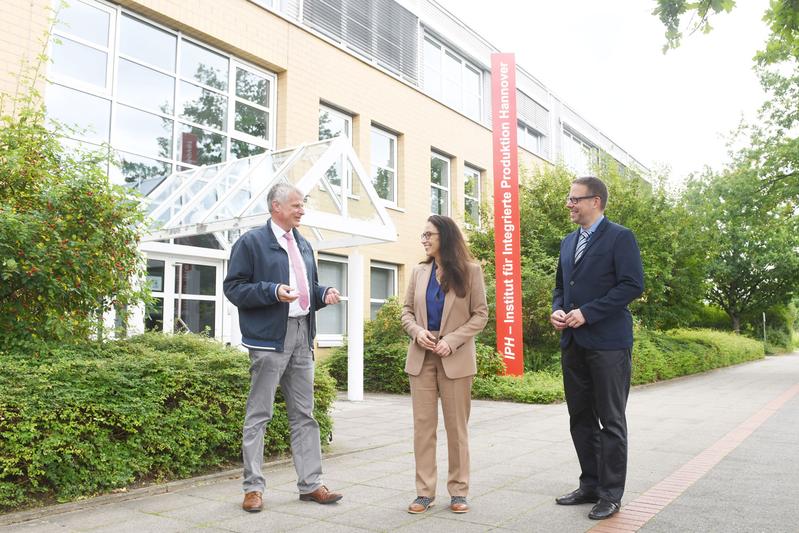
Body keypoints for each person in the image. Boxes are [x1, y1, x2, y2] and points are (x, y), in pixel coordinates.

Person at [223, 182, 344, 513]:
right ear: (276, 207)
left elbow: (308, 289)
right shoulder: (251, 243)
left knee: (305, 414)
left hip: (303, 336)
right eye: (296, 204)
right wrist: (272, 291)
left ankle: (311, 484)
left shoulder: (303, 244)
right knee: (259, 414)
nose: (302, 209)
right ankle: (253, 488)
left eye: (302, 204)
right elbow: (234, 288)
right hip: (268, 340)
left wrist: (324, 294)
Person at [550, 176, 644, 520]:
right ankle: (590, 484)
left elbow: (632, 285)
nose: (569, 204)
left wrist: (587, 313)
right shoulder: (567, 242)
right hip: (573, 344)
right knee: (580, 419)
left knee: (611, 421)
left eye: (575, 199)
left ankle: (610, 493)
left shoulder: (620, 237)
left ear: (596, 201)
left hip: (608, 345)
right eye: (569, 199)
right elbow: (562, 285)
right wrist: (558, 309)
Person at [400, 215, 488, 515]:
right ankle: (424, 493)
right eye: (423, 235)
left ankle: (458, 492)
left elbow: (480, 315)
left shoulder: (471, 271)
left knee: (456, 429)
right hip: (422, 356)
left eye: (429, 234)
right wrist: (417, 331)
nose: (423, 239)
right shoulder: (418, 271)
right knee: (423, 429)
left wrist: (452, 340)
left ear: (445, 237)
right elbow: (407, 312)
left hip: (455, 357)